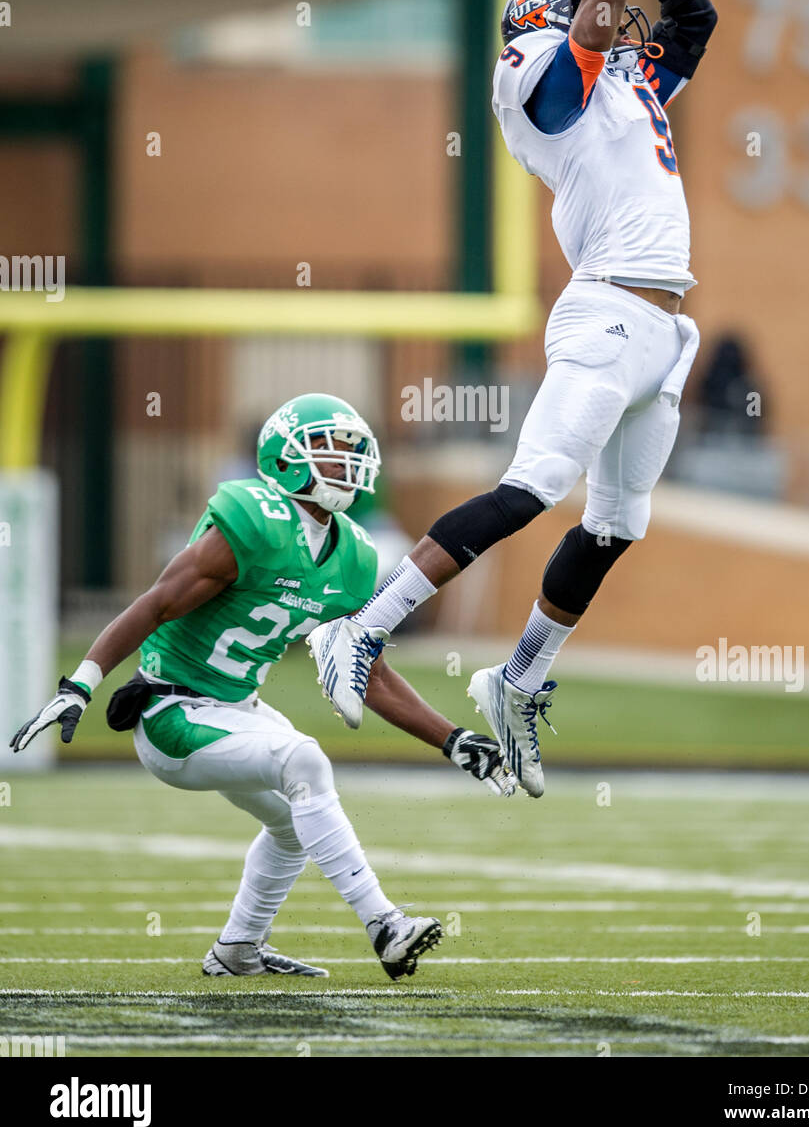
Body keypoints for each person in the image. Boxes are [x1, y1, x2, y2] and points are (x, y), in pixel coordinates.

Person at [308, 0, 718, 799]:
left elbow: (691, 15)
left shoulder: (623, 76)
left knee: (615, 527)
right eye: (588, 8)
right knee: (533, 487)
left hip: (661, 330)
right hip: (610, 308)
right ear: (552, 14)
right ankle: (360, 629)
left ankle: (520, 675)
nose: (614, 22)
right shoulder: (539, 78)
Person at [10, 392, 512, 980]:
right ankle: (385, 925)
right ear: (286, 457)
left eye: (353, 449)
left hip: (238, 710)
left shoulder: (352, 554)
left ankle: (236, 950)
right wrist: (80, 684)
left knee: (294, 821)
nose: (347, 462)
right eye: (329, 447)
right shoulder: (254, 518)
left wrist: (453, 739)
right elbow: (157, 603)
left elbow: (367, 670)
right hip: (173, 713)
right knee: (305, 761)